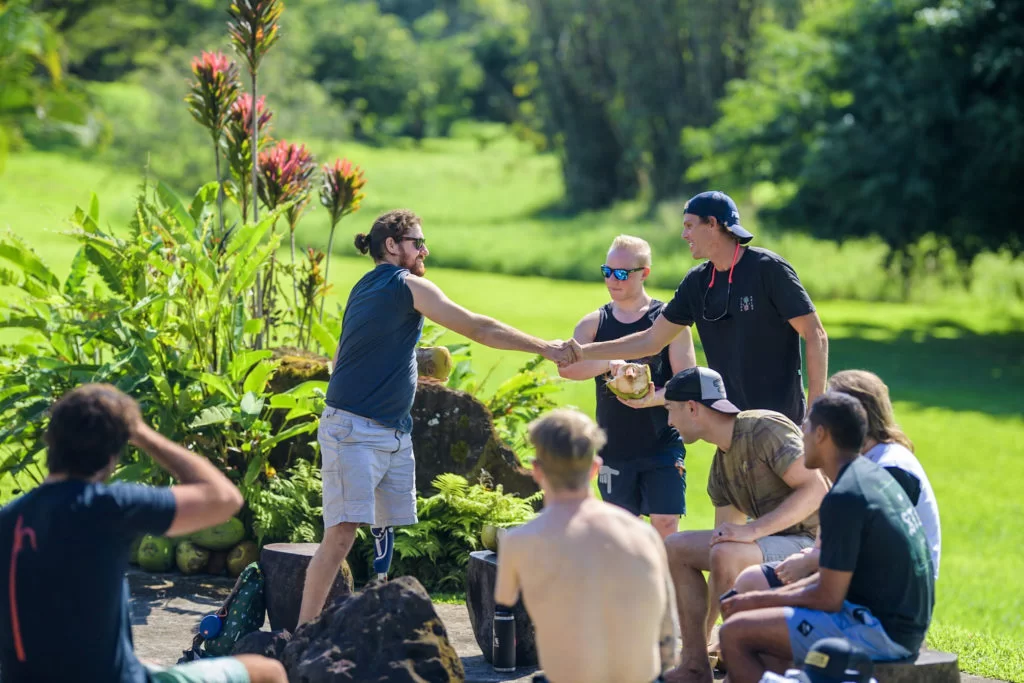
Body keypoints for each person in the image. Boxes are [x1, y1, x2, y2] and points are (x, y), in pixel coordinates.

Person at [297, 209, 579, 626]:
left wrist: (403, 364)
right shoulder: (404, 284)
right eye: (418, 243)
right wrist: (546, 348)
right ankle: (302, 634)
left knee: (385, 529)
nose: (424, 251)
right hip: (354, 429)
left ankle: (370, 623)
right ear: (391, 246)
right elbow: (478, 328)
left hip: (390, 431)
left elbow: (343, 357)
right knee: (340, 535)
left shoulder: (365, 287)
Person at [0, 384, 287, 683]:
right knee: (268, 671)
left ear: (51, 441)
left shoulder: (8, 519)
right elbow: (224, 498)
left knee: (145, 663)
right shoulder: (107, 506)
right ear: (112, 454)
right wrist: (140, 432)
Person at [718, 393, 935, 683]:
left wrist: (758, 600)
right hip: (899, 624)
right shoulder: (869, 477)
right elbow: (831, 578)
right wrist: (760, 600)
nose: (801, 435)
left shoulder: (845, 497)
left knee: (733, 634)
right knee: (761, 623)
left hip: (879, 631)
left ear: (821, 434)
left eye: (806, 427)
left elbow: (828, 597)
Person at [570, 190, 828, 426]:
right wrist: (581, 352)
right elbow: (651, 340)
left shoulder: (768, 269)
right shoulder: (697, 282)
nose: (684, 235)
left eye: (689, 226)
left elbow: (815, 334)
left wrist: (815, 413)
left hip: (780, 423)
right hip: (728, 425)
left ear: (712, 224)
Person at [658, 367, 829, 683]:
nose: (669, 421)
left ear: (692, 408)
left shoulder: (763, 428)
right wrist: (705, 638)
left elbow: (816, 489)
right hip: (773, 546)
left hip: (814, 546)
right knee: (676, 547)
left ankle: (742, 663)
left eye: (670, 409)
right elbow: (720, 552)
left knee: (727, 550)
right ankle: (696, 664)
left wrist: (751, 531)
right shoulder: (721, 467)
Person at [494, 408, 679, 683]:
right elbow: (668, 632)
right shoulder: (644, 534)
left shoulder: (520, 541)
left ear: (536, 470)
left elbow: (504, 605)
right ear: (595, 468)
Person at [733, 370, 941, 594]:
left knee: (753, 585)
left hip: (893, 587)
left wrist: (811, 561)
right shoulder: (858, 461)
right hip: (861, 571)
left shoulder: (891, 468)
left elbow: (878, 550)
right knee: (753, 580)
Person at [558, 235, 695, 539]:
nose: (612, 280)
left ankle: (666, 572)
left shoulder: (669, 322)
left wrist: (651, 398)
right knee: (622, 534)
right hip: (614, 446)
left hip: (662, 442)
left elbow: (686, 383)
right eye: (607, 272)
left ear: (644, 273)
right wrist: (609, 363)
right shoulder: (594, 323)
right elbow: (568, 368)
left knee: (666, 524)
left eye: (621, 273)